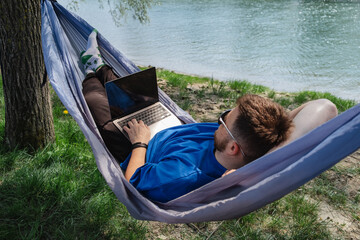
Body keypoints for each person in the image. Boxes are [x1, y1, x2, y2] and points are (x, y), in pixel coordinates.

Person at [81, 30, 338, 203]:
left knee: (94, 98)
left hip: (137, 144)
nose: (220, 118)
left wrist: (140, 142)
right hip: (170, 128)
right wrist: (267, 158)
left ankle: (91, 71)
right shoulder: (255, 147)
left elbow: (134, 183)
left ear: (234, 147)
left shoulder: (184, 174)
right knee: (126, 91)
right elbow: (326, 107)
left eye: (223, 120)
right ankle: (101, 66)